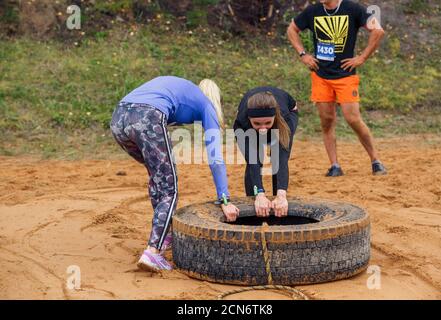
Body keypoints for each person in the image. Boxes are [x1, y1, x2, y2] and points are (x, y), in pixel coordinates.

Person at [110, 76, 240, 272]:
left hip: (118, 118)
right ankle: (153, 251)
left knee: (159, 178)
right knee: (169, 189)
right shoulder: (206, 105)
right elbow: (216, 158)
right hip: (147, 116)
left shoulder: (185, 91)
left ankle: (165, 235)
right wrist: (224, 198)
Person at [287, 0, 388, 176]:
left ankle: (375, 160)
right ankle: (334, 165)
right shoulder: (313, 11)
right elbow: (291, 29)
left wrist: (362, 58)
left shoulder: (353, 9)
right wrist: (303, 54)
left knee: (353, 119)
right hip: (320, 75)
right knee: (326, 121)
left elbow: (378, 31)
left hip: (346, 76)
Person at [233, 87, 299, 217]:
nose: (263, 129)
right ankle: (255, 200)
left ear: (274, 117)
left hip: (288, 112)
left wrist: (281, 195)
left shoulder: (284, 119)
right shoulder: (242, 122)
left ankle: (278, 200)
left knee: (277, 156)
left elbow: (281, 158)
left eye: (267, 123)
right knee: (254, 159)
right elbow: (253, 161)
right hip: (247, 127)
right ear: (249, 119)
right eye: (257, 123)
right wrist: (260, 194)